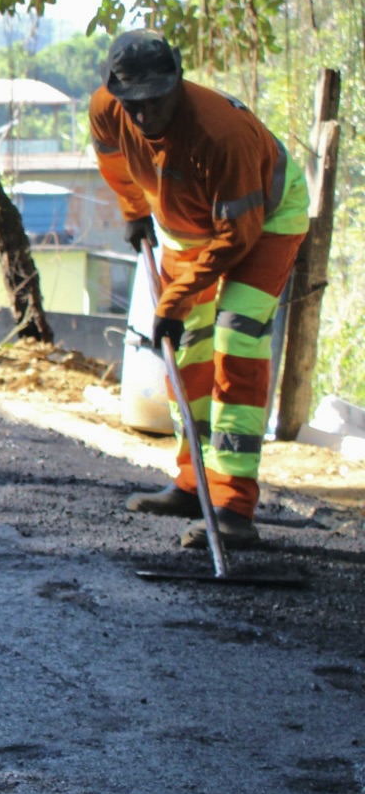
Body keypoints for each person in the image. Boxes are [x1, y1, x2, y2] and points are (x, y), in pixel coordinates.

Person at [92, 31, 310, 549]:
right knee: (188, 350)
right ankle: (195, 484)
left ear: (177, 82)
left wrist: (174, 298)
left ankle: (233, 504)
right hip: (188, 227)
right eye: (133, 103)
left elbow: (237, 235)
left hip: (265, 220)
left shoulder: (221, 135)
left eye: (156, 99)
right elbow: (115, 161)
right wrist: (133, 211)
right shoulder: (109, 109)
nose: (144, 116)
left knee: (237, 341)